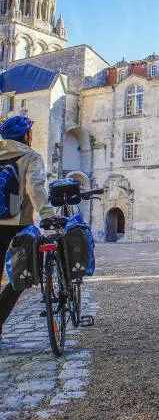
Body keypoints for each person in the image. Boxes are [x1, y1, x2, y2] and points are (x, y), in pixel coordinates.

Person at [0, 116, 55, 338]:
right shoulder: (30, 156)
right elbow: (35, 188)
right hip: (18, 225)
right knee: (22, 276)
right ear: (26, 135)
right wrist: (47, 215)